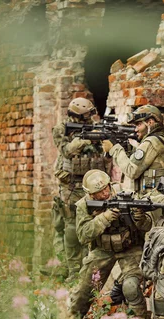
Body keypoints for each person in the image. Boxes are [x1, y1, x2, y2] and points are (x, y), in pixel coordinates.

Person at [69, 169, 151, 319]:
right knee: (83, 291)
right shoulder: (84, 205)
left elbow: (146, 226)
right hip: (102, 250)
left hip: (130, 248)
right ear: (91, 195)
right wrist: (104, 218)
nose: (105, 194)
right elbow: (83, 235)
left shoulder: (127, 195)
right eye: (99, 193)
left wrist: (140, 218)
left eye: (106, 188)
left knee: (131, 286)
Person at [53, 97, 109, 278]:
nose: (89, 119)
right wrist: (86, 138)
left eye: (90, 115)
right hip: (71, 186)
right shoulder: (62, 128)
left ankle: (91, 269)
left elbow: (104, 153)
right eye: (85, 116)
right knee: (71, 225)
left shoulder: (95, 126)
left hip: (94, 185)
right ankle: (73, 270)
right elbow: (66, 151)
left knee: (93, 223)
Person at [102, 105, 164, 197]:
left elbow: (131, 171)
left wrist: (115, 149)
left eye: (139, 125)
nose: (136, 129)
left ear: (150, 122)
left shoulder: (151, 142)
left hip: (152, 202)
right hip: (160, 198)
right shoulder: (163, 138)